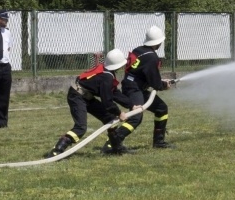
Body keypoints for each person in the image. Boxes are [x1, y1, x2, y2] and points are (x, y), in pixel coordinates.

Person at [44, 49, 132, 158]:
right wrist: (119, 113)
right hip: (77, 96)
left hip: (85, 96)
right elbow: (108, 102)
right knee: (81, 128)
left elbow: (113, 92)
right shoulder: (106, 77)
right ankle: (56, 151)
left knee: (110, 119)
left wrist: (131, 104)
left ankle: (115, 147)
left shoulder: (106, 72)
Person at [103, 26, 175, 154]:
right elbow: (155, 82)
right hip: (134, 89)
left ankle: (159, 142)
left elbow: (144, 74)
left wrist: (159, 82)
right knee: (136, 117)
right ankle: (112, 143)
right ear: (159, 42)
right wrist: (163, 86)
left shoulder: (139, 50)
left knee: (161, 108)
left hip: (134, 86)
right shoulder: (152, 57)